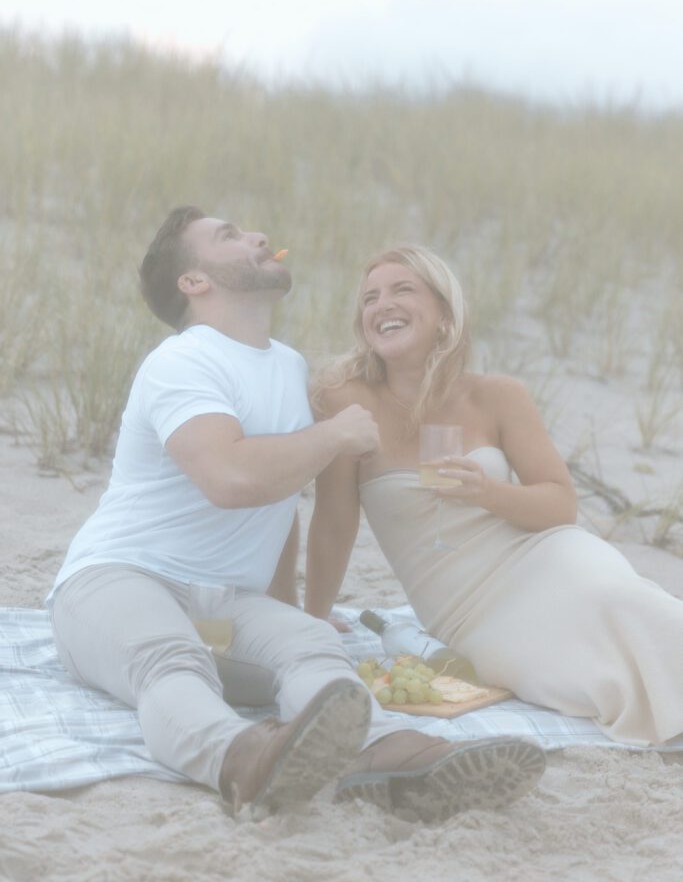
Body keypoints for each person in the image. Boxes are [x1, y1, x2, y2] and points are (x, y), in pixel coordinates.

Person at [46, 210, 545, 822]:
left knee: (309, 646)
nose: (258, 237)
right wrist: (334, 435)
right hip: (116, 582)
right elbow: (230, 478)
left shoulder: (287, 366)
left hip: (224, 606)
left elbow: (277, 503)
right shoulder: (182, 363)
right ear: (194, 282)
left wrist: (290, 607)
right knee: (170, 659)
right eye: (229, 236)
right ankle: (243, 761)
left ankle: (390, 756)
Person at [306, 245, 683, 748]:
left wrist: (487, 491)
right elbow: (334, 520)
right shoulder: (345, 401)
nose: (382, 304)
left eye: (402, 290)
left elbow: (559, 505)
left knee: (623, 602)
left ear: (444, 315)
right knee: (570, 676)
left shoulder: (497, 395)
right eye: (370, 298)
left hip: (547, 558)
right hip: (467, 610)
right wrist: (313, 615)